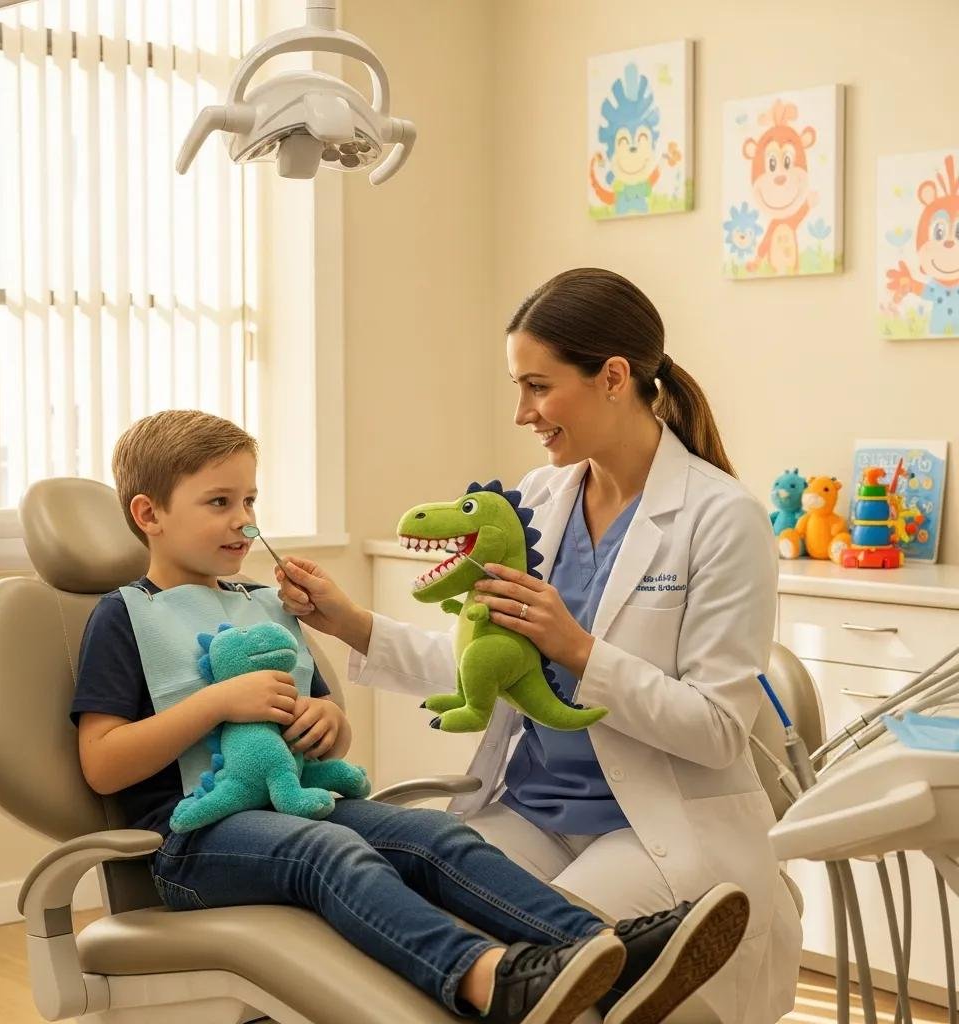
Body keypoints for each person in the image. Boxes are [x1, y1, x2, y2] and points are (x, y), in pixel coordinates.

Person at [70, 408, 747, 1024]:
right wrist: (217, 703)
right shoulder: (124, 616)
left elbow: (328, 724)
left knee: (434, 837)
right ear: (149, 514)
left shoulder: (263, 604)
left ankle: (603, 953)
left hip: (295, 803)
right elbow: (103, 765)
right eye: (219, 503)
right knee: (331, 851)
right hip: (192, 842)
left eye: (250, 500)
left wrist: (323, 724)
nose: (245, 521)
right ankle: (491, 978)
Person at [275, 268, 804, 1023]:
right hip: (528, 810)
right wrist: (350, 621)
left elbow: (719, 731)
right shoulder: (541, 498)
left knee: (545, 978)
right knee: (416, 938)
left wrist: (582, 652)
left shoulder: (722, 519)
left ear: (614, 377)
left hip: (649, 826)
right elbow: (486, 663)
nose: (522, 411)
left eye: (538, 386)